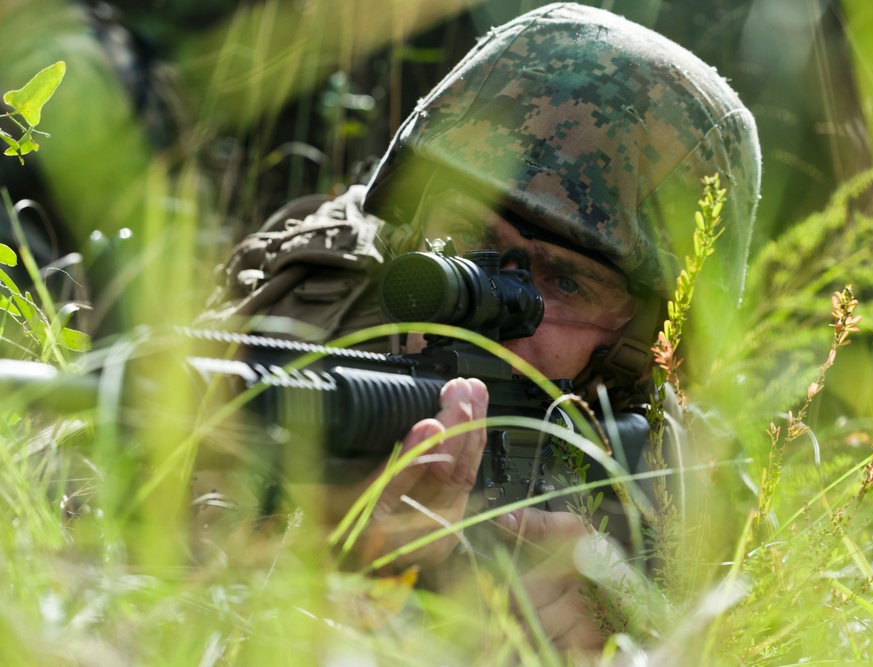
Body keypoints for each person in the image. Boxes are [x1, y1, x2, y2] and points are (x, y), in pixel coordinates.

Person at [201, 1, 761, 652]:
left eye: (566, 281)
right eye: (465, 237)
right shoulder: (306, 326)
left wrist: (628, 631)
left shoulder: (675, 474)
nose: (494, 306)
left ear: (645, 341)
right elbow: (109, 565)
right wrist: (314, 567)